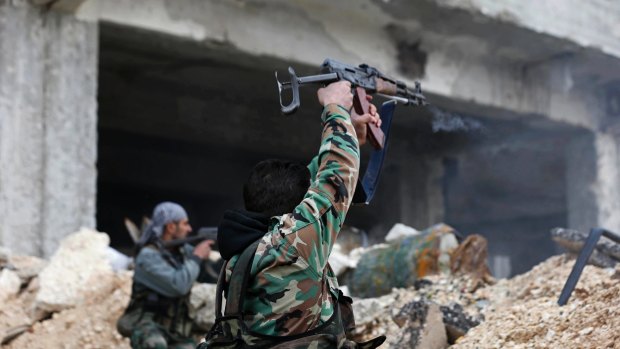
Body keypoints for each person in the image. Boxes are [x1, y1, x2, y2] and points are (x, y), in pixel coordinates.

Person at [202, 81, 385, 348]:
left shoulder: (250, 250)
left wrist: (351, 135)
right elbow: (336, 176)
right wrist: (335, 109)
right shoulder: (293, 244)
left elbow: (314, 182)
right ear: (295, 209)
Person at [118, 201, 215, 349]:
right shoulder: (147, 256)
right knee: (156, 345)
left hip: (176, 329)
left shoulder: (183, 252)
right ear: (170, 227)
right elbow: (178, 286)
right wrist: (197, 257)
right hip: (148, 326)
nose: (189, 229)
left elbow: (205, 278)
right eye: (185, 224)